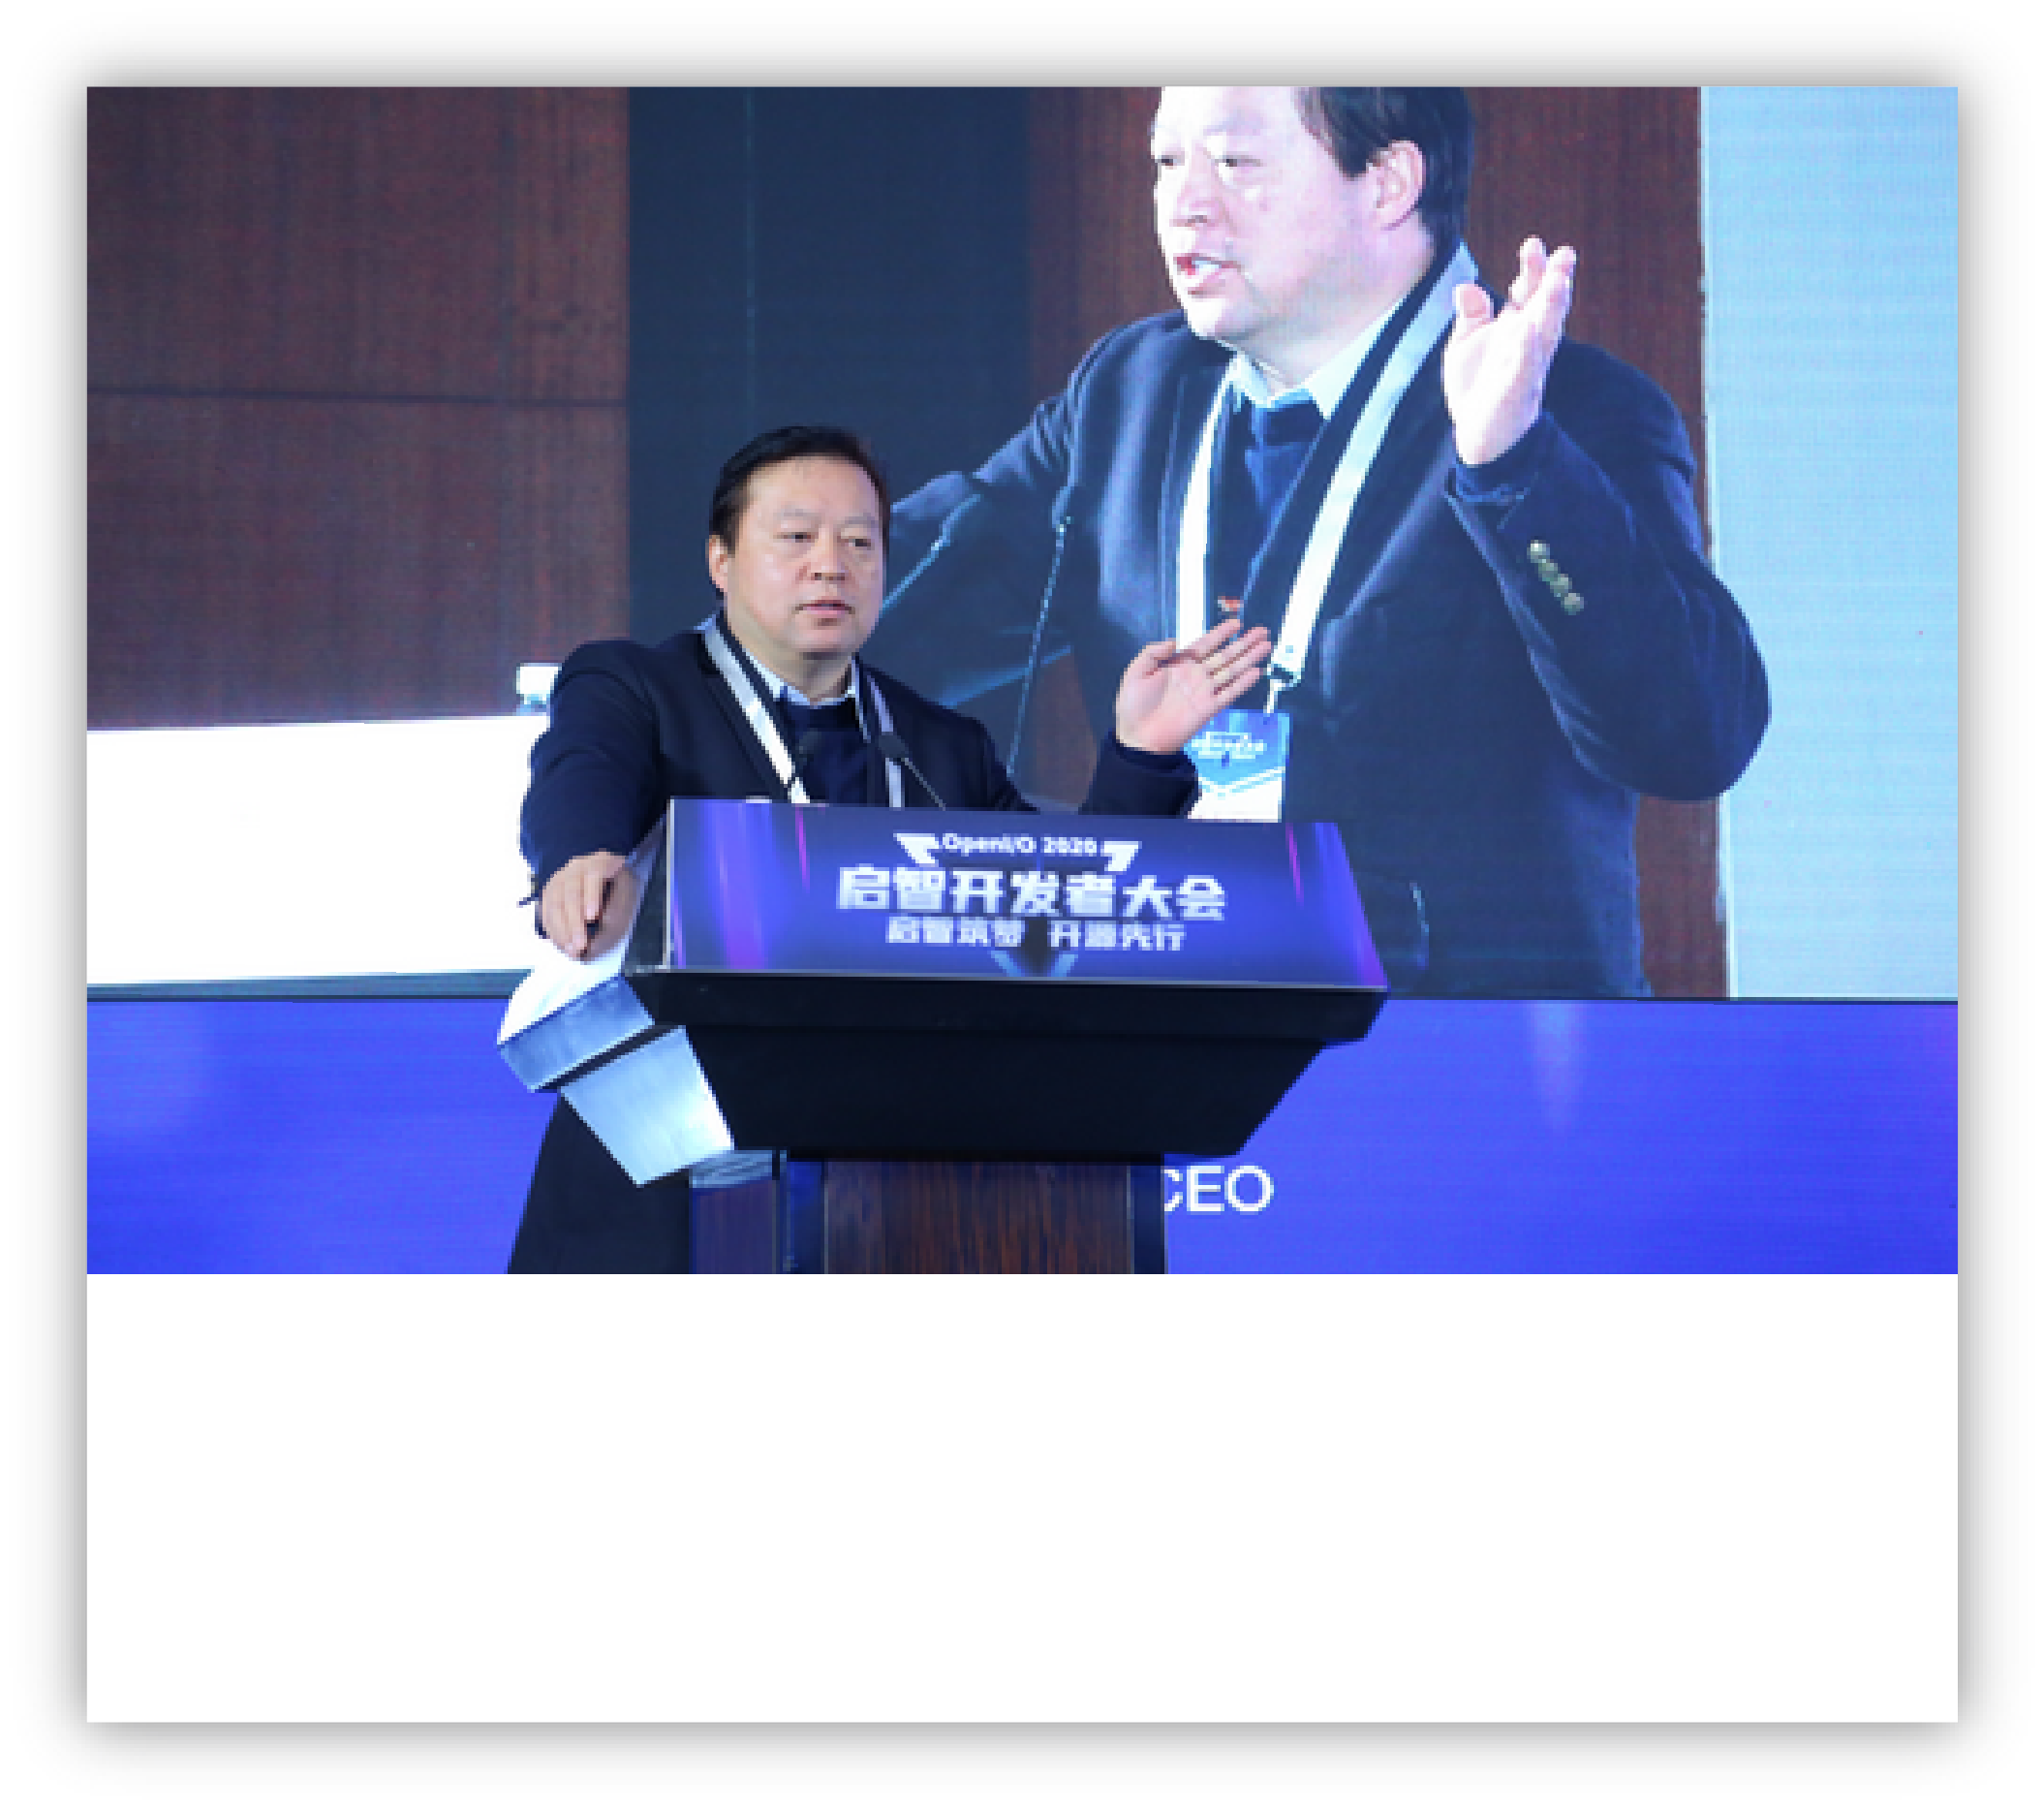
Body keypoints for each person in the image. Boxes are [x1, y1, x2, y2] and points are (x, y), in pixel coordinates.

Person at [863, 86, 1771, 998]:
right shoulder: (1130, 396)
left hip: (1465, 1062)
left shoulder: (1565, 407)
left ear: (1388, 183)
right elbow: (890, 607)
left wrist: (1513, 467)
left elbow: (1693, 737)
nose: (1184, 205)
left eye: (1234, 162)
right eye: (1166, 161)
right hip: (1176, 1037)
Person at [509, 422, 1270, 1271]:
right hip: (663, 1192)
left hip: (905, 1197)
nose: (831, 566)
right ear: (721, 561)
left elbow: (1063, 917)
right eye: (796, 538)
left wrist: (1140, 755)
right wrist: (580, 855)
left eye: (860, 543)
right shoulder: (640, 687)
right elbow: (583, 772)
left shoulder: (941, 746)